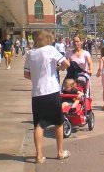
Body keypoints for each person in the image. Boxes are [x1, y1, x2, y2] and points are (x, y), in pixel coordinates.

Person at [23, 30, 71, 164]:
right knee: (58, 122)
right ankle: (60, 152)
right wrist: (58, 69)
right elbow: (66, 64)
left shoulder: (30, 53)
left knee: (39, 124)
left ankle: (39, 155)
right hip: (51, 90)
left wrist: (37, 78)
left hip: (37, 93)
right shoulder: (50, 49)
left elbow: (26, 74)